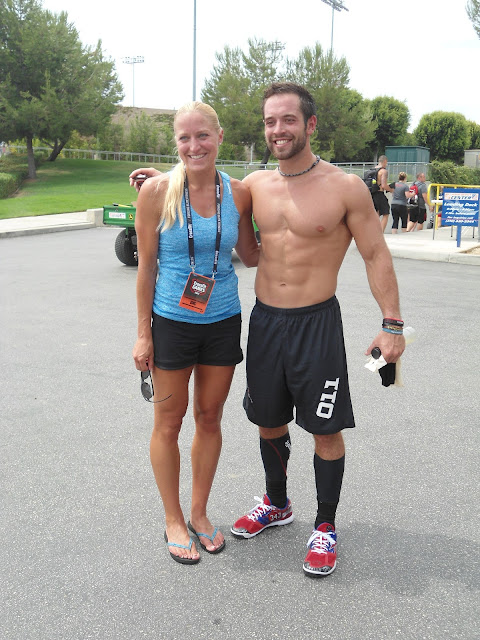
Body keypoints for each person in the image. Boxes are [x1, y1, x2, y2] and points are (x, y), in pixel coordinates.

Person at [130, 82, 405, 578]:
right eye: (270, 122)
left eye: (288, 120)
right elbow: (204, 187)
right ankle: (277, 503)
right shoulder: (253, 186)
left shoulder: (345, 187)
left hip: (316, 322)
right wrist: (166, 178)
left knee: (325, 427)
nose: (278, 129)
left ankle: (325, 525)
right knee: (268, 419)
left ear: (310, 124)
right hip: (263, 322)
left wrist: (392, 324)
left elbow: (374, 253)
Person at [132, 101, 259, 565]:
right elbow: (145, 269)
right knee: (168, 422)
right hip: (171, 322)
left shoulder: (239, 193)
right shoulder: (156, 192)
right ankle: (172, 518)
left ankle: (200, 513)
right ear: (176, 144)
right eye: (184, 138)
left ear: (219, 137)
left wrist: (304, 237)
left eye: (202, 135)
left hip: (223, 320)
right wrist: (143, 334)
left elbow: (251, 252)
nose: (194, 145)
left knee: (209, 418)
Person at [371, 155, 394, 233]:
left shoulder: (372, 169)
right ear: (385, 161)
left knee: (376, 214)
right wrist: (391, 190)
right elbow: (384, 185)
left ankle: (373, 232)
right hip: (379, 194)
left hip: (371, 194)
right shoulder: (383, 171)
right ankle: (380, 234)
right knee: (385, 213)